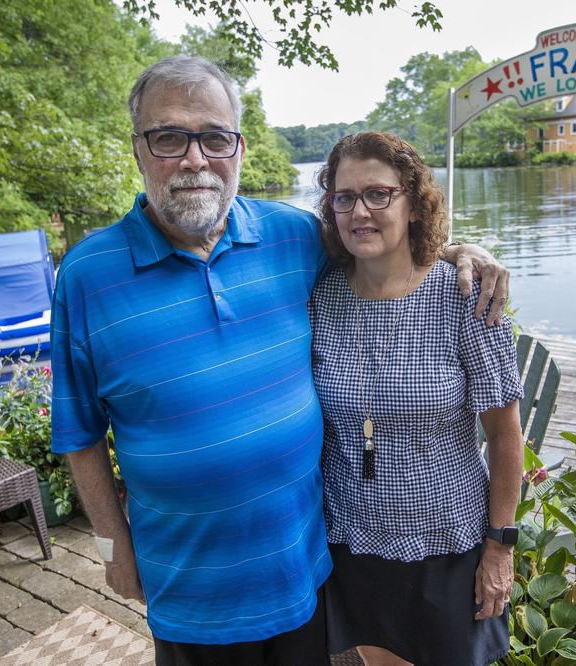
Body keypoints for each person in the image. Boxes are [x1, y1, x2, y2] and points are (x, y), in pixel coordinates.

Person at [49, 56, 511, 666]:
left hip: (306, 571)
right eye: (168, 137)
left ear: (238, 148)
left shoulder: (292, 237)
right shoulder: (87, 276)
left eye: (214, 137)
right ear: (138, 149)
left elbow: (379, 242)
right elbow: (80, 435)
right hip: (189, 588)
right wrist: (112, 548)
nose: (194, 159)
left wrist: (459, 253)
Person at [310, 131, 525, 666]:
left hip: (447, 540)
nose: (360, 211)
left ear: (412, 202)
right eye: (345, 197)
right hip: (353, 536)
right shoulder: (319, 294)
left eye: (379, 194)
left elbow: (504, 434)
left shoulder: (463, 295)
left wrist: (500, 547)